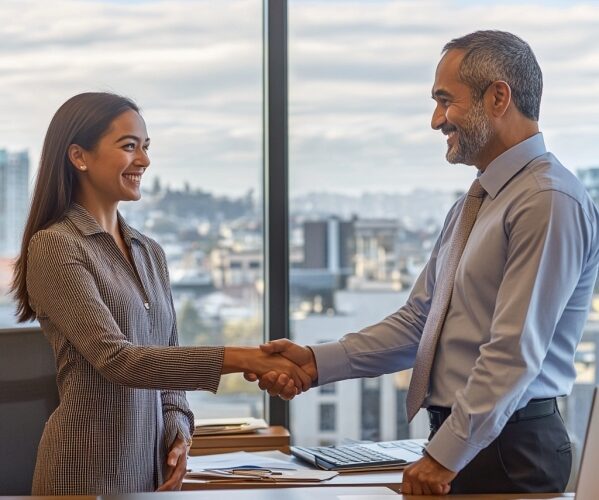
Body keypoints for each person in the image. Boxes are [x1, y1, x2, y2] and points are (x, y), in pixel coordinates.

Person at [250, 30, 599, 495]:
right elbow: (421, 324)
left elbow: (513, 354)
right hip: (474, 437)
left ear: (498, 97)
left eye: (445, 101)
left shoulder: (545, 200)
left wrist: (444, 454)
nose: (437, 120)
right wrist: (316, 362)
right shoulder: (475, 203)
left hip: (509, 448)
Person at [11, 92, 311, 495]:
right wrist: (246, 357)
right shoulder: (57, 246)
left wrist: (178, 431)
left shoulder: (149, 252)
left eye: (146, 147)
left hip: (150, 472)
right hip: (85, 471)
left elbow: (167, 364)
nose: (144, 161)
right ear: (79, 156)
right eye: (128, 146)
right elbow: (118, 360)